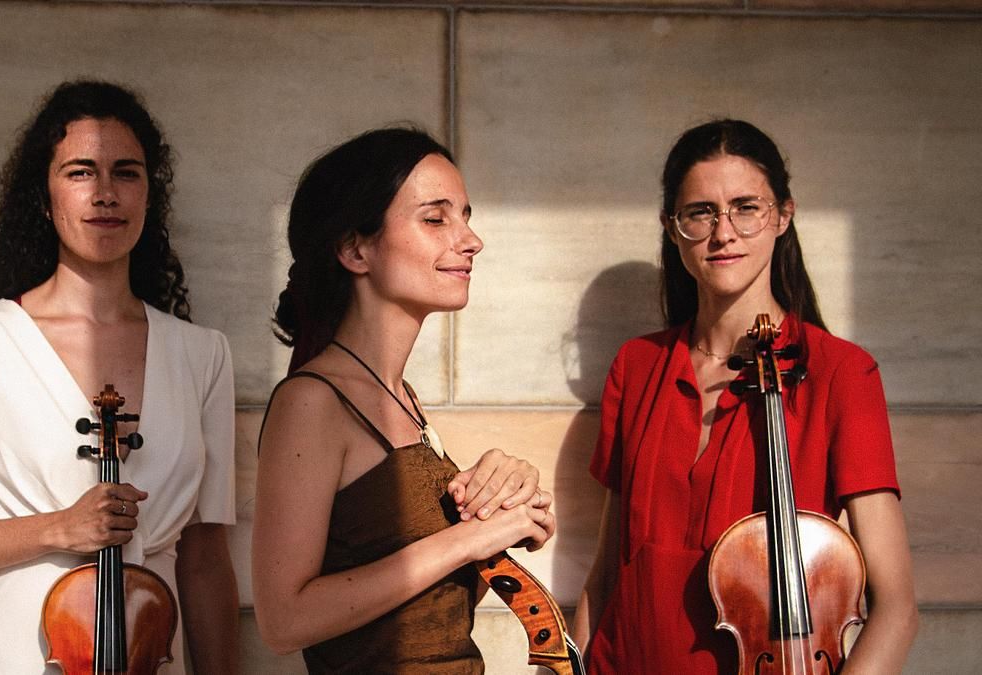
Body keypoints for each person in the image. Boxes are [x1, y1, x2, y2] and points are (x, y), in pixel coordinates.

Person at [0, 80, 238, 674]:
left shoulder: (203, 356)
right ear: (44, 199)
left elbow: (204, 559)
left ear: (150, 196)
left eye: (126, 173)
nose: (104, 194)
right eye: (79, 173)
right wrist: (62, 526)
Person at [574, 119, 918, 674]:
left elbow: (896, 609)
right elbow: (608, 573)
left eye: (745, 207)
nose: (723, 232)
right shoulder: (637, 366)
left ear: (783, 215)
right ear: (671, 226)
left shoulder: (841, 373)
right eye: (700, 212)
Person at [252, 127, 557, 674]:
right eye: (435, 218)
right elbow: (283, 619)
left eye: (465, 215)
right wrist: (468, 539)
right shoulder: (313, 402)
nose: (470, 240)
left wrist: (509, 509)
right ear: (355, 248)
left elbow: (420, 614)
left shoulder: (402, 398)